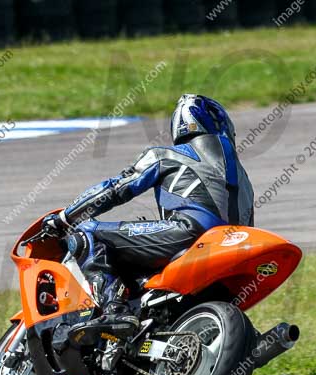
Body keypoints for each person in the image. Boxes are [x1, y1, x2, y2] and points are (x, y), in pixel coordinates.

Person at [42, 94, 254, 343]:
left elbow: (114, 190)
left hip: (187, 234)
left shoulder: (166, 155)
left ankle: (115, 311)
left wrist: (65, 217)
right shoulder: (245, 178)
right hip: (232, 246)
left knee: (87, 232)